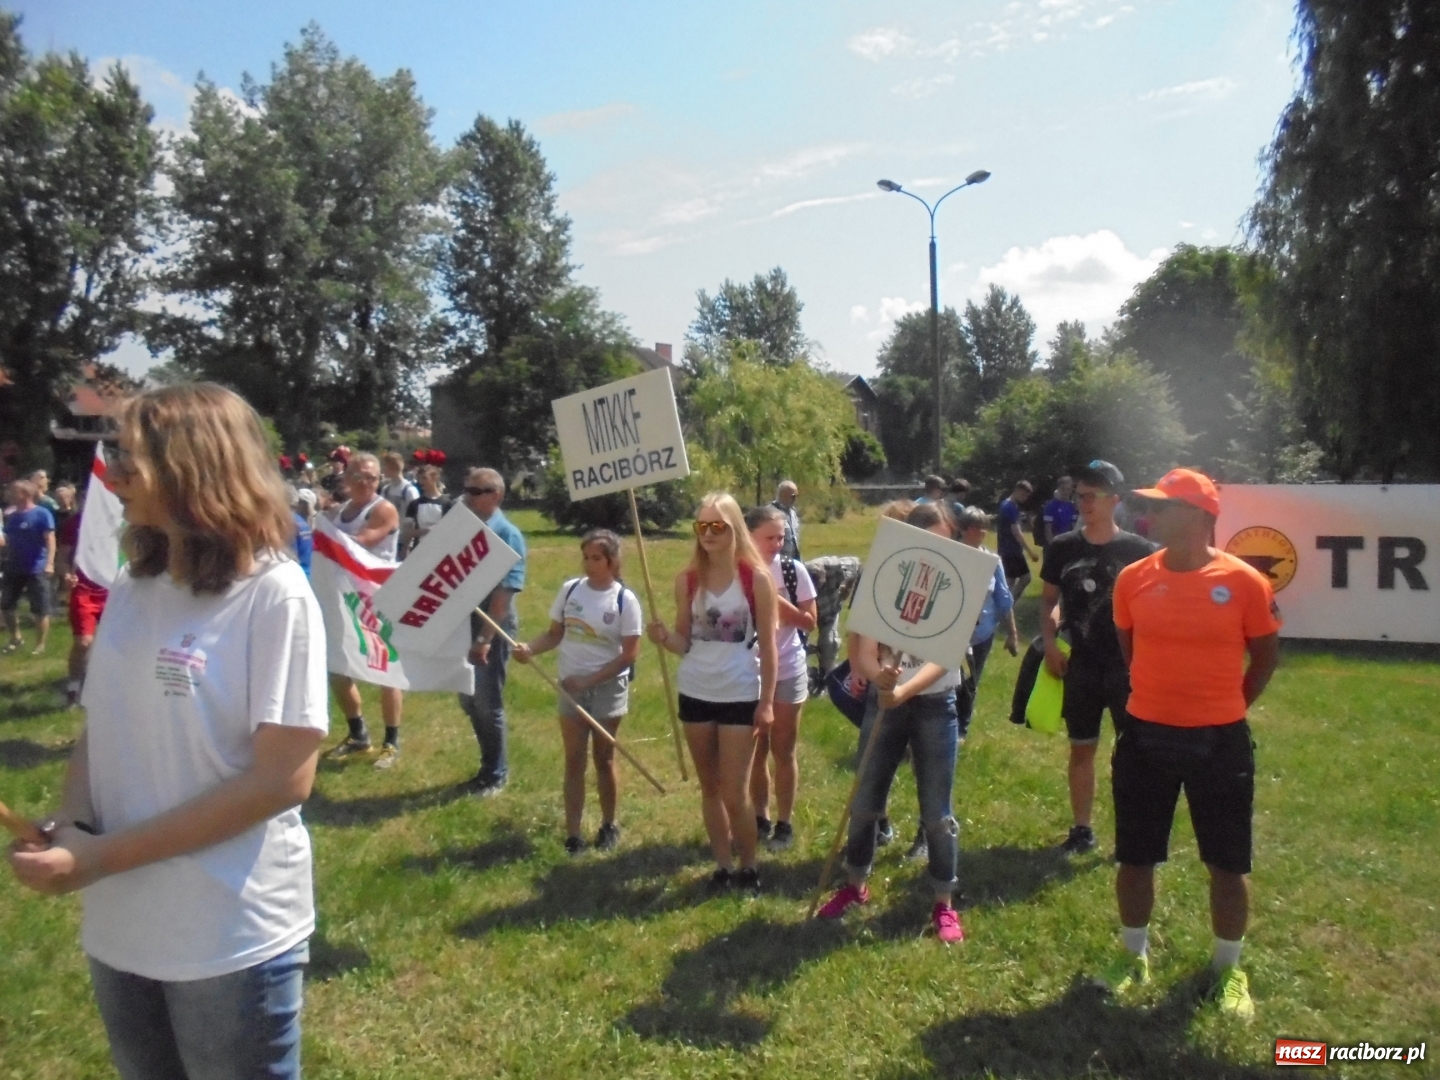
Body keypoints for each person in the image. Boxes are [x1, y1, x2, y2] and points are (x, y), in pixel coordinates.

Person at [7, 382, 328, 1080]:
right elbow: (104, 727)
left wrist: (102, 858)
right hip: (122, 928)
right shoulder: (133, 586)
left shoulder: (274, 595)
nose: (111, 472)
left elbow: (282, 780)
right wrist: (71, 823)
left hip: (226, 936)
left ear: (194, 466)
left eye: (128, 455)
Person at [1097, 468, 1280, 1019]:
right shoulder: (1133, 578)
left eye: (1165, 506)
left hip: (1219, 741)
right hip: (1145, 735)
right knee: (1135, 855)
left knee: (1227, 863)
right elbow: (1131, 650)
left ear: (1200, 516)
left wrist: (1225, 705)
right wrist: (1162, 697)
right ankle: (1134, 956)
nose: (1151, 515)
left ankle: (1228, 968)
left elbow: (1266, 656)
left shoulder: (1246, 582)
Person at [816, 501, 967, 944]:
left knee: (937, 812)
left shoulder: (957, 580)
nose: (935, 548)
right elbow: (861, 650)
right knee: (864, 802)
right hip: (883, 705)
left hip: (935, 705)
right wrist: (875, 672)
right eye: (925, 539)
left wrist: (903, 690)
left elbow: (944, 657)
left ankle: (944, 903)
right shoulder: (881, 576)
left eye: (943, 538)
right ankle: (855, 885)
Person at [648, 493, 777, 892]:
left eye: (716, 526)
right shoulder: (687, 581)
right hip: (695, 690)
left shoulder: (755, 580)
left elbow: (770, 647)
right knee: (710, 788)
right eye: (701, 526)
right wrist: (664, 637)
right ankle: (722, 865)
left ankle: (749, 865)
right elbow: (684, 642)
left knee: (735, 791)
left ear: (734, 529)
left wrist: (768, 702)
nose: (707, 534)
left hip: (739, 691)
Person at [1037, 461, 1156, 856]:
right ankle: (1082, 828)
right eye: (1080, 495)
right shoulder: (1063, 547)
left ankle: (1134, 829)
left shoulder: (1139, 552)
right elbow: (1051, 601)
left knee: (1134, 752)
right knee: (1082, 748)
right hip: (1081, 665)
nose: (1084, 503)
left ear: (1115, 501)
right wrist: (1051, 643)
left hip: (1127, 667)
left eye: (1093, 496)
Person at [513, 530, 640, 854]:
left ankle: (609, 824)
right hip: (569, 686)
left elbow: (628, 655)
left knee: (604, 757)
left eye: (596, 558)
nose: (588, 564)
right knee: (573, 759)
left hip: (607, 688)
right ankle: (573, 833)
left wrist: (590, 681)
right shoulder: (571, 591)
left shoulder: (624, 600)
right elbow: (554, 634)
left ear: (612, 561)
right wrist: (530, 649)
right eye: (585, 557)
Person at [321, 453, 405, 769]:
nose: (365, 483)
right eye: (358, 476)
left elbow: (362, 542)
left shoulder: (382, 509)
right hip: (343, 599)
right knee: (338, 668)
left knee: (385, 668)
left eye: (371, 477)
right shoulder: (339, 512)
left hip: (378, 600)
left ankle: (391, 741)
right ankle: (358, 734)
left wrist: (325, 538)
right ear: (346, 478)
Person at [745, 504, 817, 849]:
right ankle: (760, 817)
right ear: (749, 537)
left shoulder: (793, 571)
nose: (777, 544)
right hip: (746, 672)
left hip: (788, 667)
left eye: (782, 537)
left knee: (783, 750)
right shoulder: (736, 571)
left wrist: (772, 600)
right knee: (755, 752)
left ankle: (785, 823)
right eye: (770, 538)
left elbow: (809, 621)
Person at [457, 468, 527, 796]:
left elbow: (503, 596)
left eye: (476, 491)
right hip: (462, 623)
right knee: (468, 701)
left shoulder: (507, 535)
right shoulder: (463, 529)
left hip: (492, 628)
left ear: (495, 496)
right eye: (466, 490)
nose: (467, 496)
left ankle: (496, 773)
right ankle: (486, 766)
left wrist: (485, 639)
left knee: (486, 701)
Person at [55, 495, 109, 707]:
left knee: (116, 643)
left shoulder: (119, 522)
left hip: (113, 589)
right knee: (83, 642)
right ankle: (74, 687)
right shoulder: (74, 524)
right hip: (84, 590)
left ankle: (107, 687)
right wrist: (66, 574)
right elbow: (62, 556)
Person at [2, 479, 56, 655]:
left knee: (39, 608)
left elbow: (50, 540)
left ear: (25, 494)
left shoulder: (42, 514)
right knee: (6, 605)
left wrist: (49, 563)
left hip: (36, 568)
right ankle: (16, 638)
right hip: (14, 567)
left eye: (14, 491)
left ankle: (40, 644)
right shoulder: (11, 515)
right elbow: (7, 541)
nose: (10, 494)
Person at [804, 554, 862, 679]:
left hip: (829, 609)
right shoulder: (796, 576)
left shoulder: (835, 567)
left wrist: (847, 589)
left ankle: (827, 677)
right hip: (805, 613)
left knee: (829, 643)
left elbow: (857, 566)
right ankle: (804, 676)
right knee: (799, 645)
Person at [996, 479, 1040, 601]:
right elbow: (1016, 532)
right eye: (1023, 494)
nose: (1025, 497)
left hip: (1011, 550)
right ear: (1016, 490)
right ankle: (1005, 607)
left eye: (1027, 495)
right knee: (1012, 581)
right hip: (1009, 550)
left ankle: (1008, 605)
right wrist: (1031, 552)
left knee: (1020, 579)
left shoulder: (1010, 505)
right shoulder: (1009, 507)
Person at [399, 464, 451, 556]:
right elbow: (407, 531)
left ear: (435, 478)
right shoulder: (415, 504)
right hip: (419, 551)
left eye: (424, 478)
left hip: (441, 551)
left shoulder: (447, 503)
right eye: (419, 479)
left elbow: (450, 529)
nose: (421, 482)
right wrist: (405, 547)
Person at [378, 451, 419, 524]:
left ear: (392, 467)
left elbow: (416, 515)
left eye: (385, 465)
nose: (383, 468)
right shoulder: (386, 489)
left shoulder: (409, 490)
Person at [1042, 476, 1078, 546]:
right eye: (1063, 489)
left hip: (1068, 543)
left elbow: (1074, 526)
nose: (1066, 492)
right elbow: (1048, 528)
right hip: (1054, 543)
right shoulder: (1051, 505)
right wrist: (1053, 546)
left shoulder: (1072, 506)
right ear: (1058, 489)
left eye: (1068, 489)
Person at [771, 480, 802, 561]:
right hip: (776, 561)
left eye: (796, 496)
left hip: (793, 561)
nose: (795, 499)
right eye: (793, 496)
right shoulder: (770, 513)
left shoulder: (793, 512)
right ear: (782, 495)